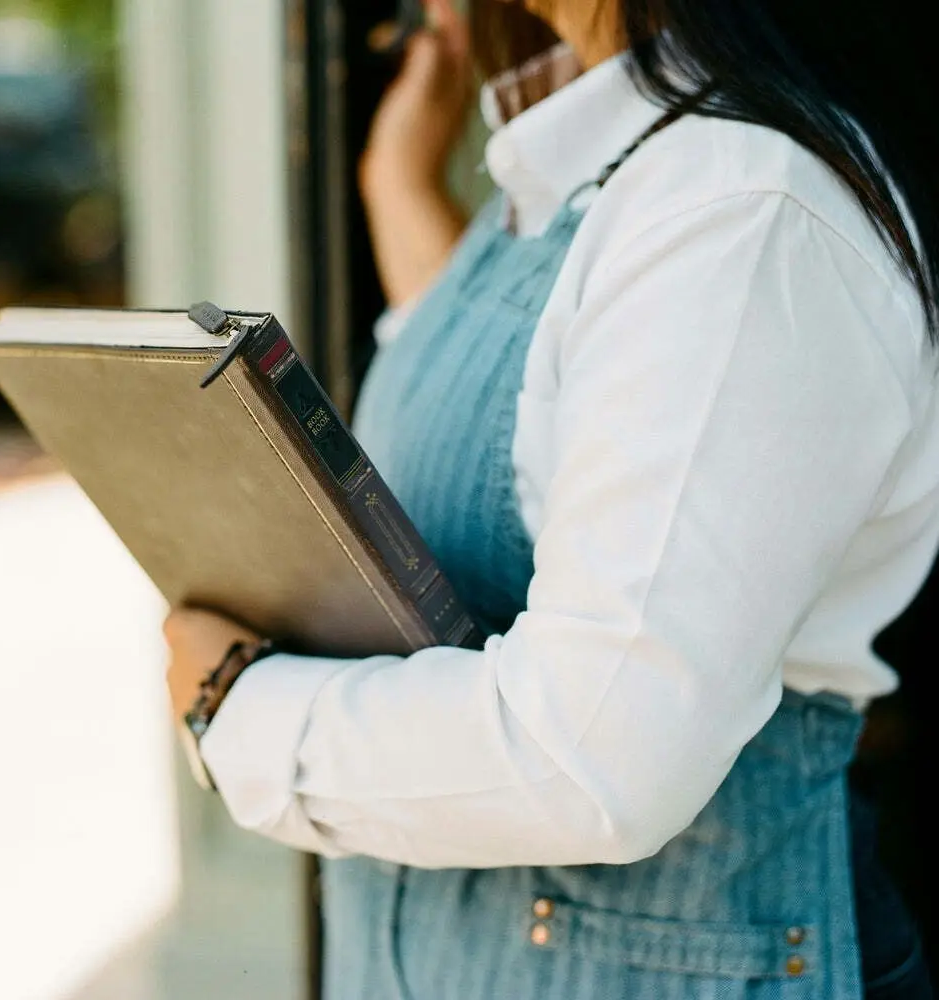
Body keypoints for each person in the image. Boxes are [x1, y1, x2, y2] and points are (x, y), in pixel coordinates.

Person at [163, 0, 939, 996]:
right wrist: (394, 179)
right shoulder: (590, 179)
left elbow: (595, 754)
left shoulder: (736, 210)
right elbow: (526, 419)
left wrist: (237, 707)